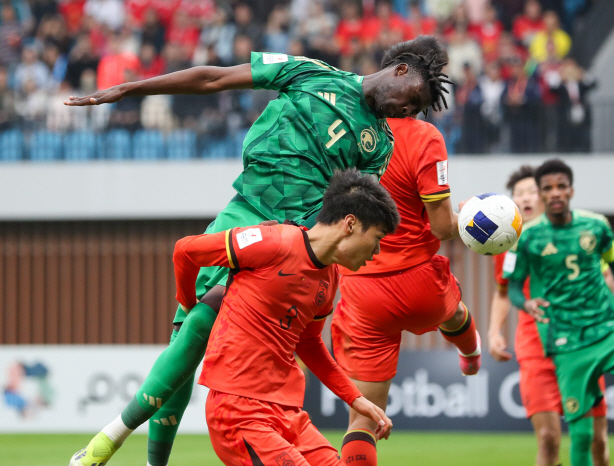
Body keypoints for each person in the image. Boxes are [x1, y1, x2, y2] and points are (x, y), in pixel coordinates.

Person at [66, 35, 452, 466]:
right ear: (400, 71)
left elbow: (355, 209)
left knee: (203, 319)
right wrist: (130, 90)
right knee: (186, 342)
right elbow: (214, 79)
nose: (407, 112)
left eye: (414, 112)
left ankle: (107, 442)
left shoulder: (379, 143)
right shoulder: (309, 72)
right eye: (412, 100)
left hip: (286, 240)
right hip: (242, 211)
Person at [174, 169, 398, 466]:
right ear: (350, 224)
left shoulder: (330, 279)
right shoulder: (272, 242)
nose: (377, 251)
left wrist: (356, 399)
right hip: (239, 411)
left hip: (289, 415)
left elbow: (308, 344)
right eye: (377, 238)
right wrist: (189, 306)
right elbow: (186, 251)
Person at [504, 159, 614, 466]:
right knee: (583, 435)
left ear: (572, 190)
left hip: (608, 330)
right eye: (548, 188)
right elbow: (514, 288)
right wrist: (527, 303)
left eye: (561, 186)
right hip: (566, 344)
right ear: (542, 195)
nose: (556, 193)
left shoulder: (596, 225)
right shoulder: (528, 238)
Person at [332, 117, 481, 466]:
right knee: (454, 309)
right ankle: (471, 355)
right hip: (419, 282)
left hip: (362, 288)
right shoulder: (424, 136)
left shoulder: (344, 130)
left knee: (364, 420)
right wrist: (471, 215)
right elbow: (444, 227)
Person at [489, 165, 610, 466]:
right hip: (535, 347)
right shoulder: (510, 247)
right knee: (548, 440)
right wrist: (493, 332)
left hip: (582, 344)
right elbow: (503, 292)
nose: (527, 198)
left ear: (544, 196)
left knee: (597, 442)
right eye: (520, 194)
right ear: (513, 202)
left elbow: (605, 277)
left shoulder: (579, 233)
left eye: (532, 191)